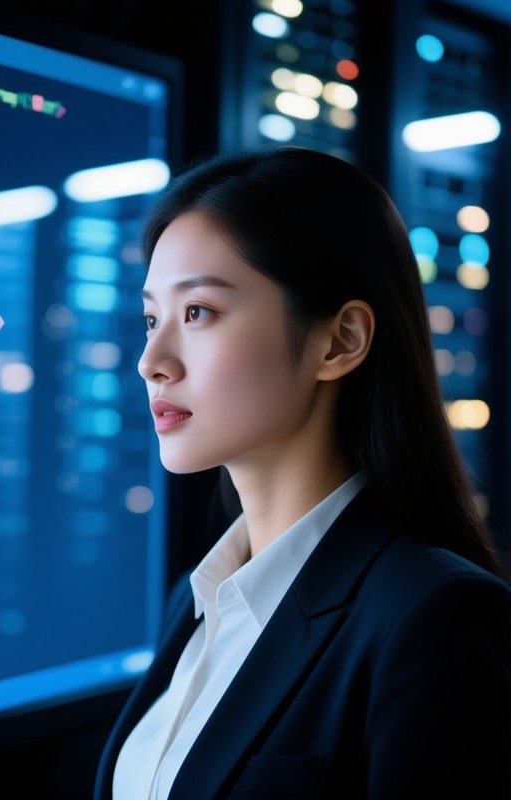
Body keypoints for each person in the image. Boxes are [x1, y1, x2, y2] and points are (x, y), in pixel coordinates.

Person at [94, 148, 511, 799]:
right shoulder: (197, 599)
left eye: (198, 311)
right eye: (152, 318)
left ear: (340, 341)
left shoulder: (434, 620)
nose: (152, 360)